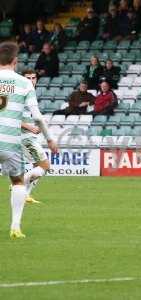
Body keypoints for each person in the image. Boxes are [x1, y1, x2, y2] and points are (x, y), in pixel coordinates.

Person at [0, 42, 56, 238]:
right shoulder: (24, 84)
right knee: (17, 182)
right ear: (15, 61)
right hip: (10, 141)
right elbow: (38, 117)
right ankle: (15, 227)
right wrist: (49, 139)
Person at [21, 69, 59, 204]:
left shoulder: (29, 93)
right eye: (28, 78)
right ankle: (19, 185)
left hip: (28, 136)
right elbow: (8, 117)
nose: (31, 81)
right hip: (24, 137)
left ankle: (25, 195)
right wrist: (30, 127)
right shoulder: (20, 94)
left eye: (33, 78)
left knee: (37, 166)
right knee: (45, 166)